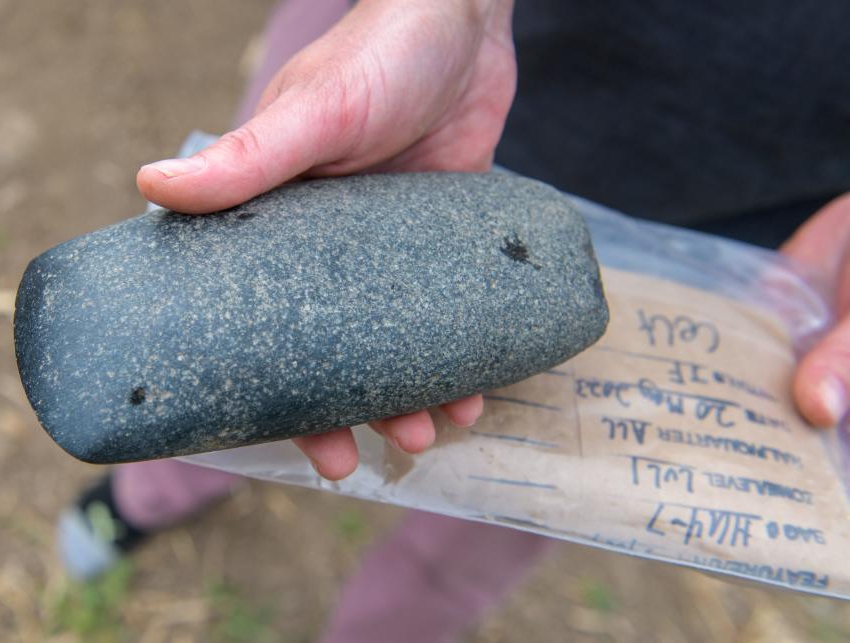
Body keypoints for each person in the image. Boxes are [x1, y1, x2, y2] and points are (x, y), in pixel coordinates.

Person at [59, 1, 850, 640]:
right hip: (403, 75)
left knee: (504, 499)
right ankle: (146, 494)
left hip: (737, 245)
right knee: (214, 369)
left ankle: (389, 624)